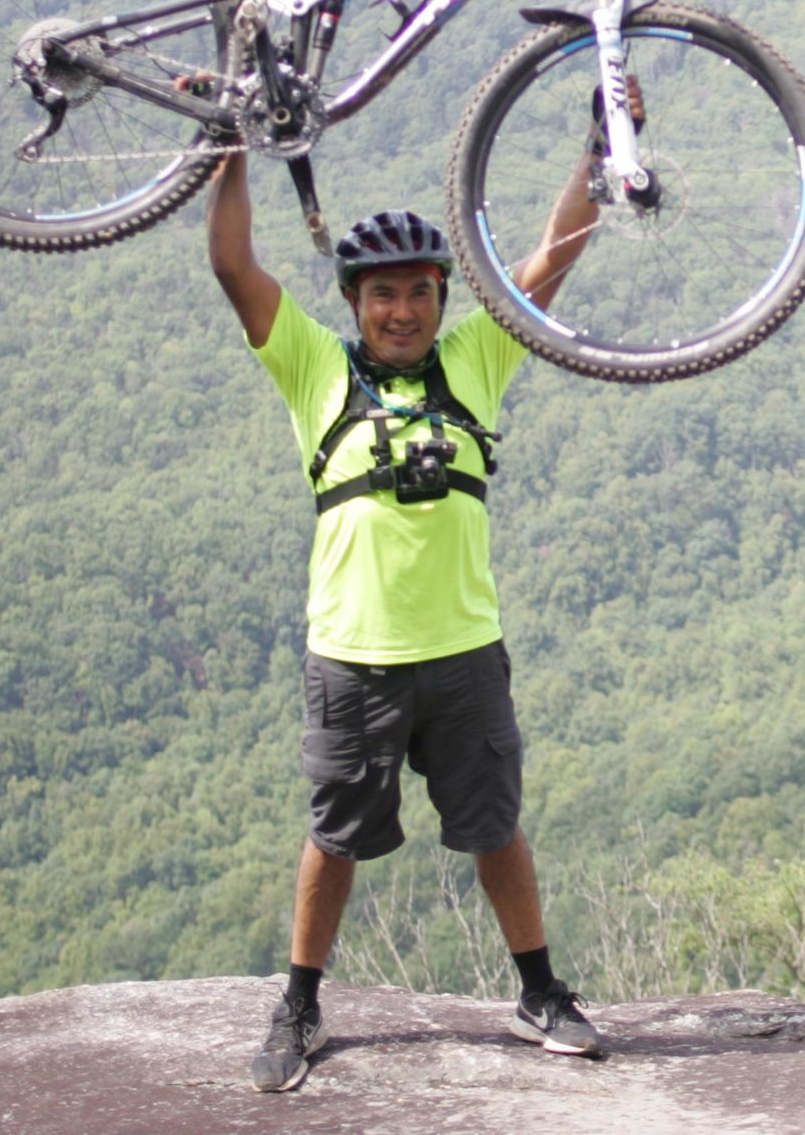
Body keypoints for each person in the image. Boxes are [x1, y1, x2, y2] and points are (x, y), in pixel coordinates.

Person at [208, 144, 605, 1091]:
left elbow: (559, 248)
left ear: (441, 298)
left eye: (420, 292)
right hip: (353, 656)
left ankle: (539, 991)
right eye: (383, 294)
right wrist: (228, 152)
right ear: (354, 303)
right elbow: (233, 265)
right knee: (335, 835)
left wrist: (602, 152)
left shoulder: (475, 357)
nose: (401, 311)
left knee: (496, 828)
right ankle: (299, 1005)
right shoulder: (315, 370)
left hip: (465, 652)